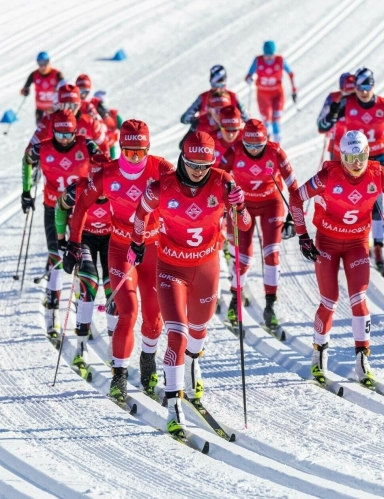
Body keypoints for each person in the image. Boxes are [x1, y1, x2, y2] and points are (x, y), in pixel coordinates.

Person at [129, 131, 250, 437]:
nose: (198, 170)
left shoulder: (223, 182)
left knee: (199, 329)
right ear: (182, 156)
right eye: (193, 163)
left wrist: (241, 205)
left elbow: (245, 224)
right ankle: (174, 407)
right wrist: (137, 243)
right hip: (171, 267)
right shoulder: (161, 186)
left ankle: (194, 365)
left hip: (206, 266)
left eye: (204, 164)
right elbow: (140, 214)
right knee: (178, 335)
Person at [62, 119, 175, 402]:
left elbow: (185, 194)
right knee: (128, 311)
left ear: (149, 148)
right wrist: (74, 244)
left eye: (141, 152)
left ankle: (148, 359)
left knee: (153, 315)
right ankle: (119, 376)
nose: (135, 158)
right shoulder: (108, 174)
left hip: (153, 248)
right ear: (120, 148)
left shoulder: (161, 168)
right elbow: (81, 208)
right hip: (121, 249)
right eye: (129, 152)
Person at [289, 131, 382, 386]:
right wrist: (303, 236)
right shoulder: (328, 176)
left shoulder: (377, 174)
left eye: (361, 155)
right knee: (329, 300)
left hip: (357, 244)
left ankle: (363, 358)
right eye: (351, 157)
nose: (357, 162)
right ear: (342, 156)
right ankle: (319, 353)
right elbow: (296, 198)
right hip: (327, 243)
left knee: (358, 297)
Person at [21, 110, 103, 341]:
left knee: (80, 256)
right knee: (56, 254)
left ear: (76, 131)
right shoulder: (43, 148)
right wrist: (26, 191)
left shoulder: (86, 145)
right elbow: (26, 160)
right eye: (59, 133)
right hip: (52, 207)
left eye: (69, 134)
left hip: (80, 207)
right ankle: (53, 305)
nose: (64, 139)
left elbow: (105, 166)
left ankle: (81, 304)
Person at [218, 118, 298, 330]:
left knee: (271, 253)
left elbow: (293, 186)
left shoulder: (276, 152)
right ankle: (236, 300)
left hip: (271, 203)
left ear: (266, 142)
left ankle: (271, 304)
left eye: (258, 146)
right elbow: (216, 178)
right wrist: (221, 208)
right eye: (249, 145)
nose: (253, 150)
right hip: (243, 207)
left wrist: (293, 216)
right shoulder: (235, 151)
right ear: (243, 141)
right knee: (244, 257)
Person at [317, 67, 384, 274]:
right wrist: (333, 114)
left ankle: (378, 246)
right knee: (350, 200)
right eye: (360, 86)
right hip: (354, 159)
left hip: (379, 156)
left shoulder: (382, 104)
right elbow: (322, 125)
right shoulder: (346, 102)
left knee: (378, 201)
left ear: (373, 85)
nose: (364, 91)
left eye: (368, 86)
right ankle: (341, 239)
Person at [55, 163, 118, 368]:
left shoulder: (119, 188)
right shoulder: (78, 188)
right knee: (89, 281)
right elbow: (60, 206)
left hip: (112, 239)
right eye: (94, 186)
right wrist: (61, 239)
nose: (98, 193)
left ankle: (114, 346)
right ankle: (81, 346)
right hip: (85, 238)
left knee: (113, 288)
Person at [245, 40, 297, 143]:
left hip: (277, 95)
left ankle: (277, 147)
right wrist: (249, 79)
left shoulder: (280, 60)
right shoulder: (258, 60)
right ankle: (267, 146)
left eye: (271, 55)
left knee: (276, 121)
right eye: (266, 55)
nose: (269, 58)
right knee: (266, 122)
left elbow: (291, 74)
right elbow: (248, 76)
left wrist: (294, 90)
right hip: (263, 96)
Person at [180, 65, 248, 125]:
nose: (217, 89)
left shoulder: (233, 97)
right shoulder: (203, 98)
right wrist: (198, 121)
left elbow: (247, 119)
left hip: (228, 135)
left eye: (220, 85)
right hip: (207, 134)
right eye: (214, 85)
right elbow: (185, 118)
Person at [316, 73, 355, 161]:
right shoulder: (333, 98)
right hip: (337, 147)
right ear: (341, 89)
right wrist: (330, 118)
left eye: (354, 93)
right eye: (347, 92)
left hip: (359, 147)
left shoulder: (362, 98)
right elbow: (320, 123)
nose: (350, 97)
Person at [20, 51, 65, 124]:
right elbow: (24, 88)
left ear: (49, 62)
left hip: (54, 109)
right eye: (40, 63)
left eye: (45, 63)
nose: (42, 66)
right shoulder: (34, 74)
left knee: (55, 132)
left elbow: (66, 88)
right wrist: (25, 91)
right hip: (40, 110)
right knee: (41, 133)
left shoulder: (57, 74)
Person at [91, 90, 123, 159]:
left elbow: (125, 129)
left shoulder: (114, 116)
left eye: (102, 106)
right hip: (96, 148)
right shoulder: (92, 116)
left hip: (110, 147)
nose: (100, 110)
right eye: (98, 107)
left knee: (111, 164)